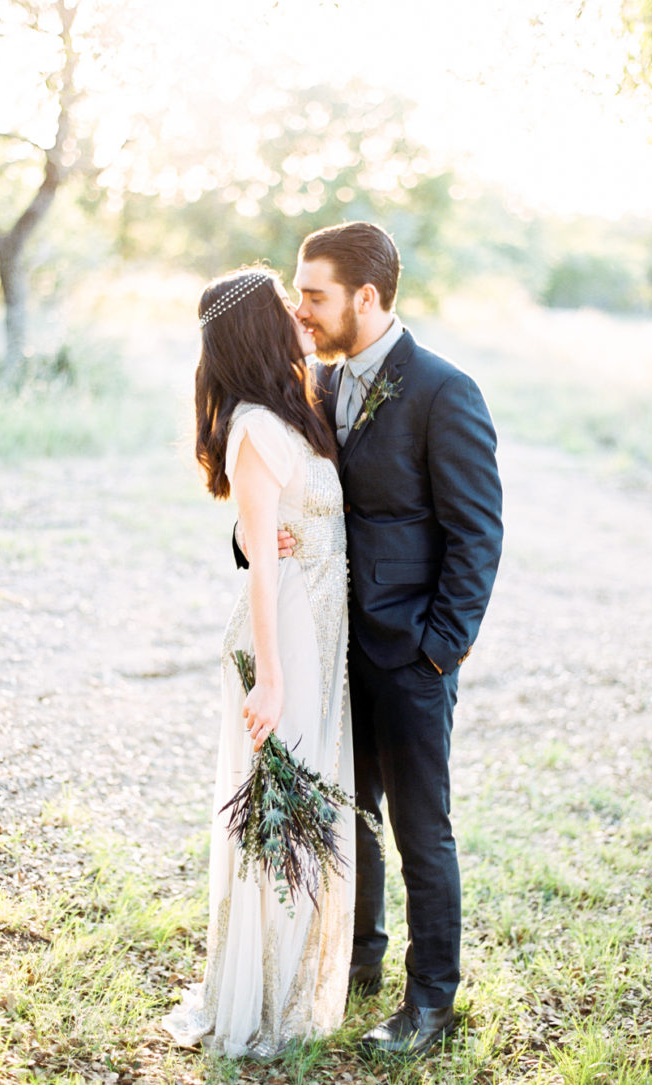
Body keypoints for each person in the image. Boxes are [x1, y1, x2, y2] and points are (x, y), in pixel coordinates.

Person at [288, 221, 504, 1056]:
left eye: (315, 294)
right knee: (352, 814)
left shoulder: (445, 391)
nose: (301, 310)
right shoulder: (320, 380)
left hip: (412, 653)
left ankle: (432, 999)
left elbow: (476, 535)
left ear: (366, 297)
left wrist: (439, 647)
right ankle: (360, 960)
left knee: (422, 828)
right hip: (337, 644)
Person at [161, 268, 355, 1058]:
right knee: (285, 809)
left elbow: (275, 532)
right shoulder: (252, 429)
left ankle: (300, 978)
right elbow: (262, 570)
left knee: (308, 803)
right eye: (286, 305)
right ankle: (266, 994)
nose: (297, 313)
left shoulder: (291, 409)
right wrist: (271, 678)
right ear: (258, 329)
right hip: (286, 636)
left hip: (319, 624)